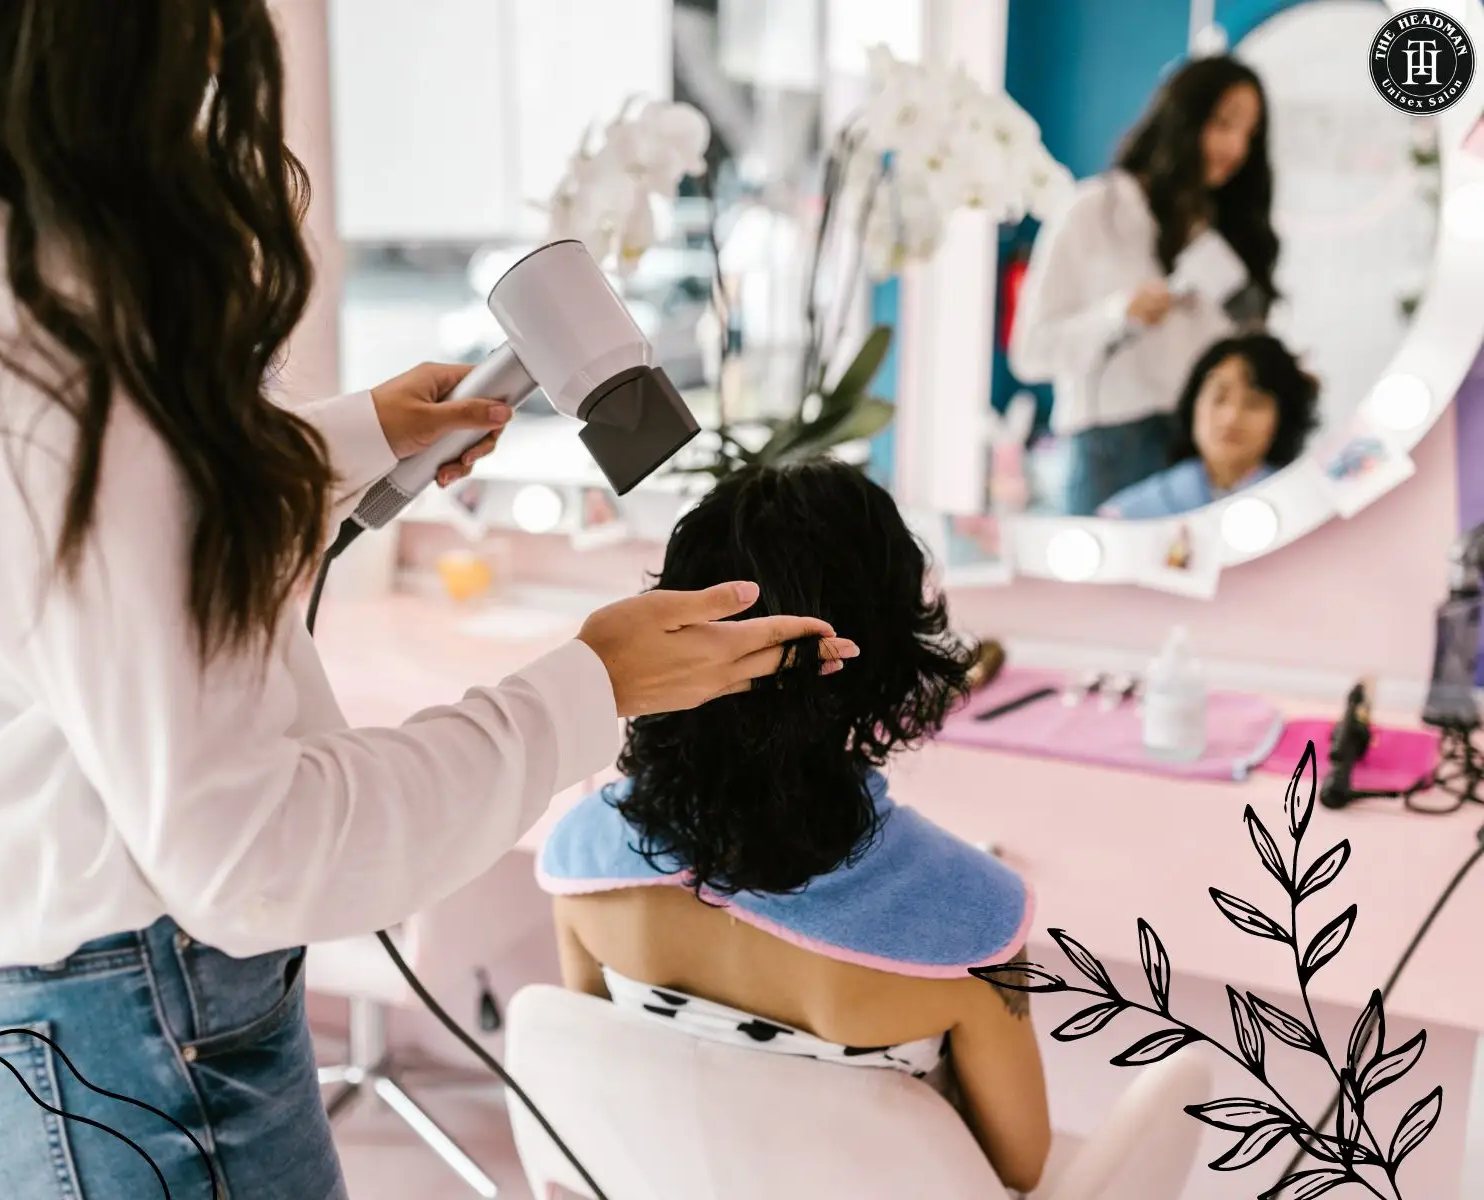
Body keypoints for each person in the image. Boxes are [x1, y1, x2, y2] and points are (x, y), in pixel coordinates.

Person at [0, 4, 858, 1198]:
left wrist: (313, 453)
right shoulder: (74, 360)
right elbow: (250, 855)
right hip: (118, 1055)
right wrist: (587, 689)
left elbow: (40, 584)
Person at [537, 461, 1051, 1194]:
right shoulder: (972, 923)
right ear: (885, 656)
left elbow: (606, 1083)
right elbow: (1018, 1166)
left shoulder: (583, 859)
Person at [1008, 55, 1280, 516]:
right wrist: (1118, 316)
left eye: (1249, 135)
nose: (1236, 147)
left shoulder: (1224, 231)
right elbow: (1030, 354)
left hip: (1203, 452)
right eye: (1223, 124)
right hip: (1110, 445)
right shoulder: (1093, 211)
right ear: (1183, 117)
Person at [1097, 332, 1319, 520]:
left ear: (1283, 417)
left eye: (1254, 403)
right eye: (1219, 397)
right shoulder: (1128, 516)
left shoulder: (1306, 510)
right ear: (1193, 403)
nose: (1231, 417)